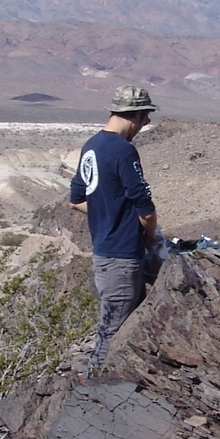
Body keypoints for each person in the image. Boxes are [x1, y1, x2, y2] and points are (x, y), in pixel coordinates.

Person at [68, 86, 160, 369]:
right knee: (112, 334)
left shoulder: (91, 146)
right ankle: (94, 390)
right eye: (145, 119)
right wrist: (148, 235)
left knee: (111, 326)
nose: (145, 125)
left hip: (103, 256)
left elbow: (75, 201)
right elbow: (145, 209)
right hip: (122, 258)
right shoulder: (123, 151)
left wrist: (108, 211)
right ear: (135, 114)